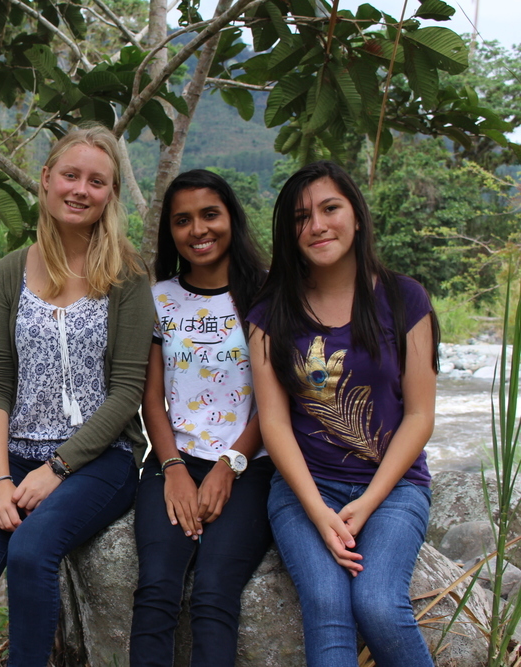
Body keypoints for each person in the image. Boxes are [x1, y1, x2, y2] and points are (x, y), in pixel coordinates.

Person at [0, 124, 154, 667]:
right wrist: (1, 477)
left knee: (32, 553)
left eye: (97, 181)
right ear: (46, 180)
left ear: (111, 195)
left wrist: (57, 467)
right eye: (71, 175)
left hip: (101, 461)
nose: (81, 189)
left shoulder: (127, 275)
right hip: (16, 455)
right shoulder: (12, 270)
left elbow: (127, 392)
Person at [246, 161, 439, 667]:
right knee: (328, 605)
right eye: (300, 217)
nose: (317, 225)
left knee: (377, 603)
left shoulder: (405, 299)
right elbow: (275, 422)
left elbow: (420, 416)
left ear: (356, 216)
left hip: (395, 487)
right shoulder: (271, 313)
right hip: (306, 490)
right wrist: (319, 511)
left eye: (330, 208)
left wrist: (369, 501)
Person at [129, 170, 274, 666]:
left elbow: (273, 402)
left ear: (231, 216)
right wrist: (172, 470)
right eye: (182, 220)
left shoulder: (267, 297)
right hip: (175, 459)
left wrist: (228, 466)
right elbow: (152, 399)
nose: (198, 230)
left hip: (250, 465)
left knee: (214, 594)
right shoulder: (160, 298)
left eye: (209, 214)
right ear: (171, 231)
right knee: (156, 590)